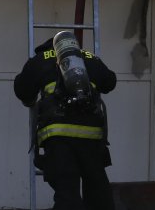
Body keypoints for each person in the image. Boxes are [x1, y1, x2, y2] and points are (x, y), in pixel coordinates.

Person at [14, 31, 117, 209]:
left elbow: (22, 89)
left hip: (58, 138)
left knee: (67, 197)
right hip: (91, 138)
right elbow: (110, 82)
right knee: (98, 194)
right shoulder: (89, 58)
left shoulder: (40, 59)